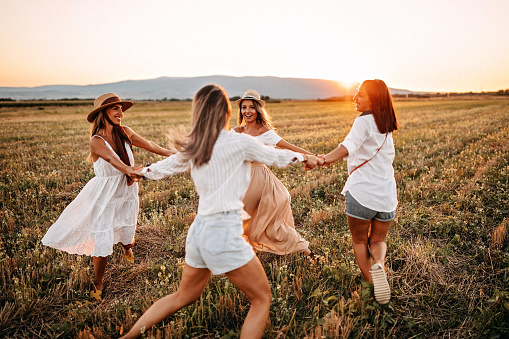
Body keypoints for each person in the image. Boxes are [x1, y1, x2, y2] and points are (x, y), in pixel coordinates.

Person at [120, 84, 322, 338]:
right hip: (224, 233)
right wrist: (307, 158)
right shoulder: (239, 142)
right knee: (261, 299)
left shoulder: (196, 145)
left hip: (198, 234)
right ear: (227, 111)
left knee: (183, 296)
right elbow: (277, 157)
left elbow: (162, 168)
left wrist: (137, 172)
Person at [41, 93, 173, 301]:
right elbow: (112, 159)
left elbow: (150, 145)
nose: (121, 112)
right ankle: (98, 282)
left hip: (126, 191)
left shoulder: (126, 132)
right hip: (104, 193)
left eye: (121, 108)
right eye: (115, 109)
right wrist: (129, 169)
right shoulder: (97, 140)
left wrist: (172, 154)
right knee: (102, 239)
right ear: (103, 113)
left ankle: (127, 249)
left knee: (126, 229)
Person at [322, 80, 398, 305]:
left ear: (373, 99)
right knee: (378, 240)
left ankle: (373, 288)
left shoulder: (363, 120)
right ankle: (380, 265)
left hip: (361, 194)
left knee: (359, 242)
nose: (355, 97)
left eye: (361, 94)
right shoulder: (386, 124)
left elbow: (349, 146)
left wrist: (323, 159)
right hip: (386, 197)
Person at [232, 90, 314, 255]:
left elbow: (289, 147)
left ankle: (303, 249)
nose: (247, 111)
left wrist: (315, 157)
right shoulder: (236, 132)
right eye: (244, 107)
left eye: (251, 107)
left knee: (264, 224)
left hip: (258, 179)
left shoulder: (265, 132)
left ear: (258, 110)